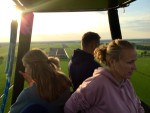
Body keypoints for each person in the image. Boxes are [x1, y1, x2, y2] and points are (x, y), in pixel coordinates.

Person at [64, 39, 144, 113]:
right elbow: (69, 108)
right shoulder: (96, 84)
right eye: (130, 62)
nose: (134, 67)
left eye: (134, 61)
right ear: (112, 62)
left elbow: (138, 106)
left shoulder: (126, 83)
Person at [10, 48, 71, 113]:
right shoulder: (64, 83)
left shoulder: (27, 95)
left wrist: (32, 87)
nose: (25, 71)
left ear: (34, 67)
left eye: (26, 66)